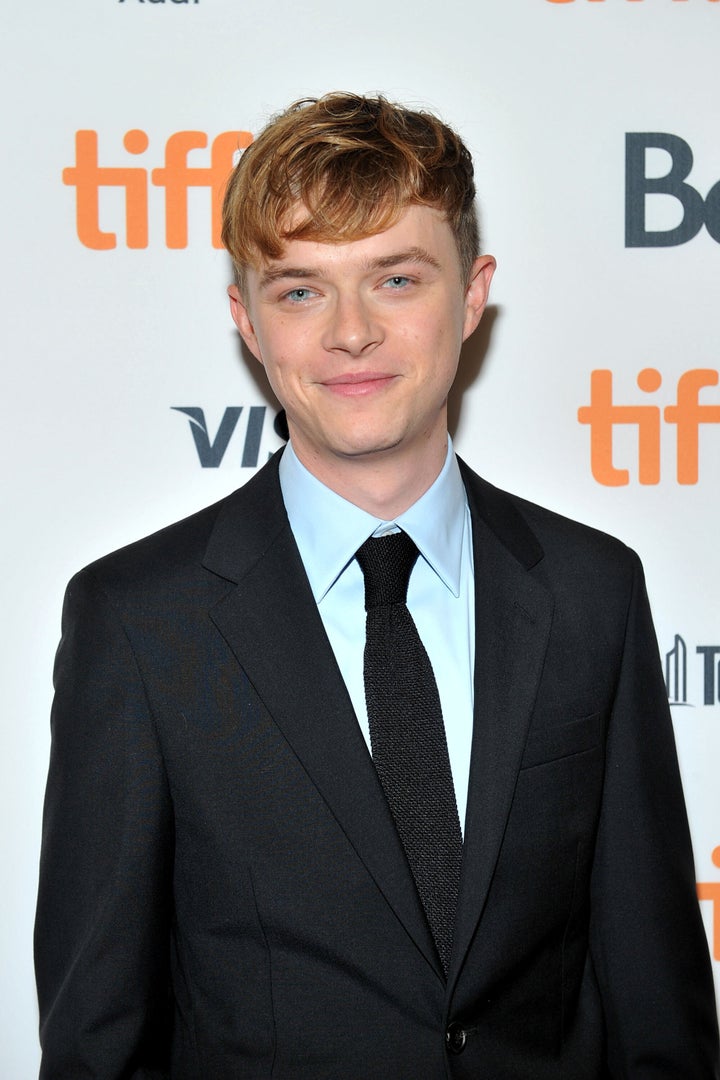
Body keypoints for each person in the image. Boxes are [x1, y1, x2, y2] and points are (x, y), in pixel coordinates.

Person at [35, 92, 719, 1079]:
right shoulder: (142, 621)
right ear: (247, 321)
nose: (351, 333)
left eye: (396, 278)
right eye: (302, 290)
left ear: (473, 293)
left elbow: (657, 1010)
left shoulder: (591, 592)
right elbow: (100, 1038)